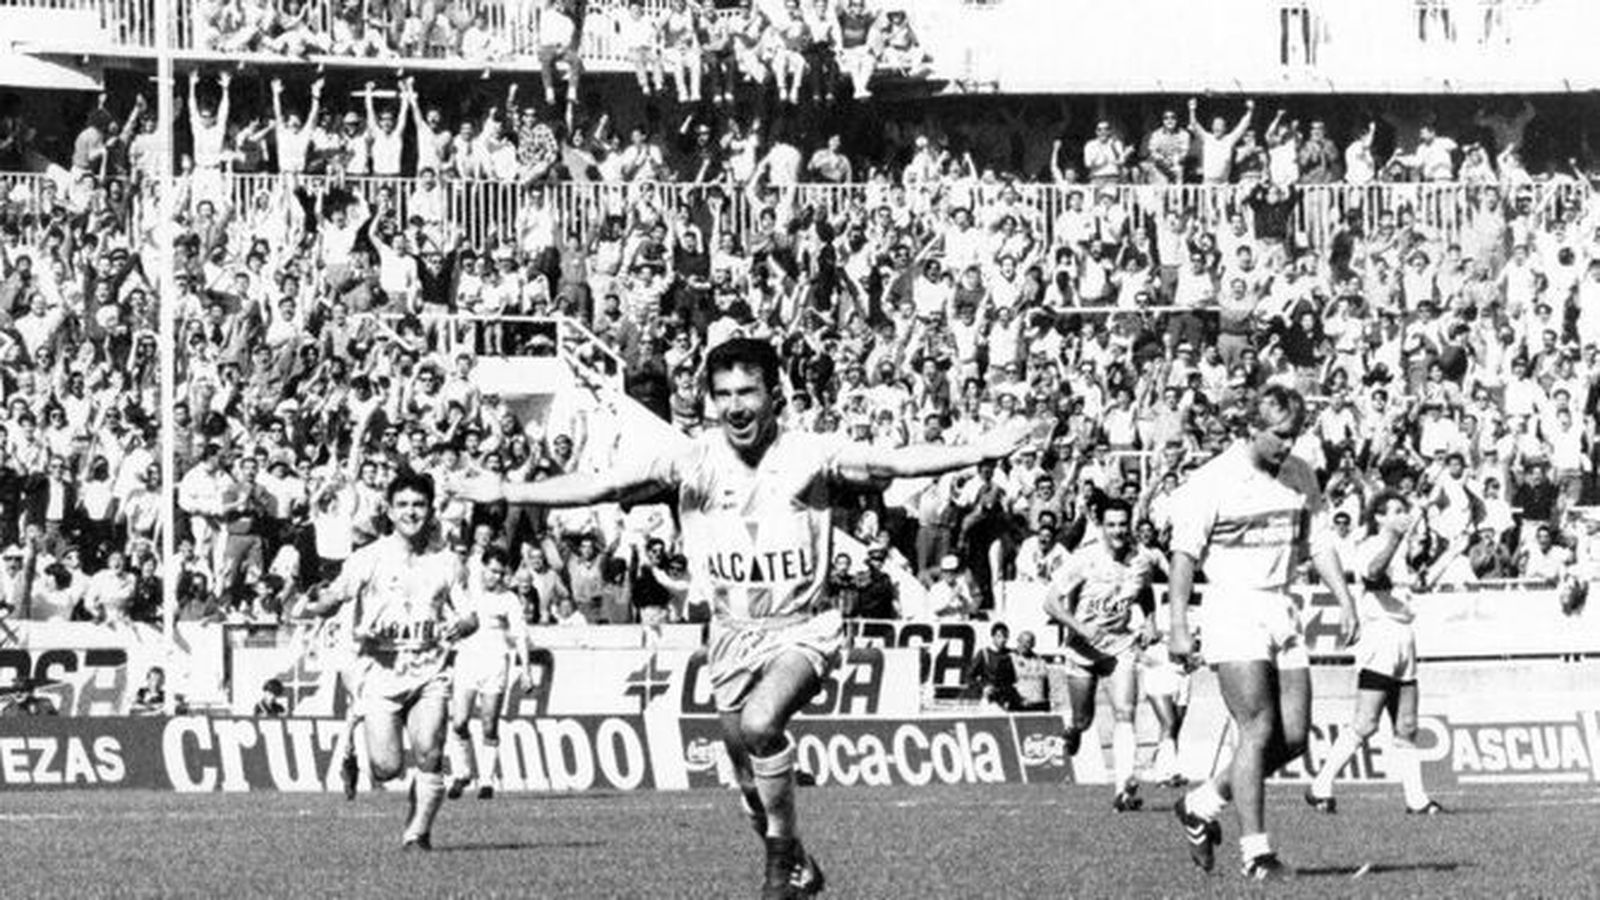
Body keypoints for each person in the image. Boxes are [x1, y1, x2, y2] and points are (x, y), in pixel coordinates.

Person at [450, 338, 1031, 898]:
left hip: (803, 627)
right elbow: (599, 485)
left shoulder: (809, 456)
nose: (735, 406)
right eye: (723, 394)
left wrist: (980, 450)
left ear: (774, 393)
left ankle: (779, 868)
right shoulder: (691, 461)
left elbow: (895, 461)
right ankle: (798, 857)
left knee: (760, 725)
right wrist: (504, 488)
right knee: (748, 783)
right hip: (730, 634)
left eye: (748, 392)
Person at [1167, 385, 1359, 881]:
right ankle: (1257, 854)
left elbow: (1318, 542)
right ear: (1250, 426)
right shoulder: (1212, 481)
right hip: (1233, 606)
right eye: (1278, 435)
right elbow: (1184, 555)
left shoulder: (1299, 474)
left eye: (1293, 435)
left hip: (1282, 606)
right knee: (1257, 729)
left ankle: (1201, 803)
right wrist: (1179, 624)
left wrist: (1345, 599)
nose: (1286, 445)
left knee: (1293, 737)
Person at [304, 473, 476, 851]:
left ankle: (417, 834)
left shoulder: (448, 562)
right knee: (387, 768)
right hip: (380, 673)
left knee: (430, 751)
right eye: (403, 505)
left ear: (431, 510)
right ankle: (354, 755)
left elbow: (469, 616)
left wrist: (460, 627)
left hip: (430, 670)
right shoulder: (369, 557)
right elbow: (335, 594)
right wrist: (320, 604)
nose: (411, 512)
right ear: (389, 509)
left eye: (418, 505)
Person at [1305, 490, 1443, 816]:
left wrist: (1448, 556)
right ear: (1378, 517)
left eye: (1402, 510)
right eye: (1392, 511)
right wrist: (1395, 538)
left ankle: (1417, 799)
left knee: (1407, 725)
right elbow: (1373, 574)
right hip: (1380, 634)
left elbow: (1414, 587)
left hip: (1404, 635)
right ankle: (1321, 784)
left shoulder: (1406, 549)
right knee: (1365, 723)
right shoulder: (1370, 546)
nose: (1399, 515)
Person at [1042, 498, 1155, 812]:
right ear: (1102, 527)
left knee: (1125, 711)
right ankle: (1073, 730)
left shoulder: (1140, 560)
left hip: (1119, 646)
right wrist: (1080, 627)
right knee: (1084, 718)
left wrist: (1149, 621)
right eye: (1112, 525)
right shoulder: (1085, 559)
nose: (1118, 531)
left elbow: (1144, 590)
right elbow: (1050, 602)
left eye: (1123, 524)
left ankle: (1124, 788)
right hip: (1082, 648)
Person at [446, 545, 532, 800]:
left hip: (495, 663)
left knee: (489, 724)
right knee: (459, 721)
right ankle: (462, 772)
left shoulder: (509, 600)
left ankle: (486, 780)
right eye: (492, 571)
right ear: (482, 567)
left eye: (500, 573)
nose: (495, 577)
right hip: (468, 660)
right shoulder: (468, 592)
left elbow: (520, 636)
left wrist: (525, 670)